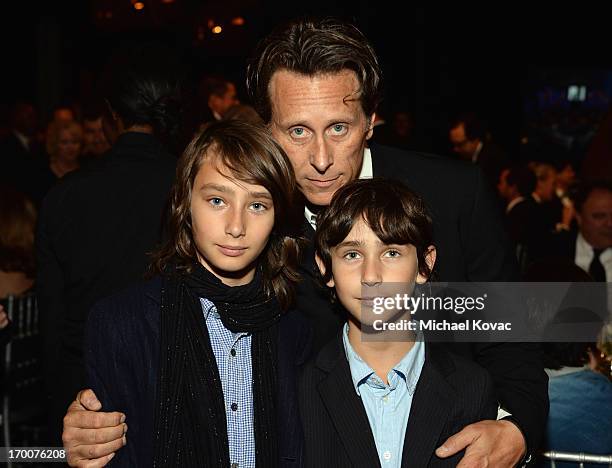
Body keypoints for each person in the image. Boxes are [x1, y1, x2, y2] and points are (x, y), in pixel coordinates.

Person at [63, 18, 547, 468]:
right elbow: (163, 334)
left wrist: (516, 430)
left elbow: (512, 336)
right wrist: (89, 424)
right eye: (297, 131)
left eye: (339, 128)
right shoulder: (256, 221)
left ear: (371, 119)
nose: (320, 158)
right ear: (267, 128)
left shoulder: (453, 196)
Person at [82, 120, 309, 467]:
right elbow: (102, 453)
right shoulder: (121, 324)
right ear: (186, 202)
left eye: (257, 205)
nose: (236, 227)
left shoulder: (293, 328)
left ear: (278, 217)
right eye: (217, 200)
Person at [37, 43, 183, 444]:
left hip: (85, 386)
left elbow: (52, 316)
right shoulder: (189, 187)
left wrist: (54, 411)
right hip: (171, 379)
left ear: (111, 116)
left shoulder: (65, 195)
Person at [300, 178, 497, 467]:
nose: (371, 275)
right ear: (325, 267)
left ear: (424, 264)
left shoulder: (472, 386)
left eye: (391, 253)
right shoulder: (299, 387)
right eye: (352, 254)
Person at [449, 113, 508, 189]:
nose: (455, 149)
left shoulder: (491, 159)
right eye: (454, 144)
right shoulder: (468, 159)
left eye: (460, 144)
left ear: (474, 139)